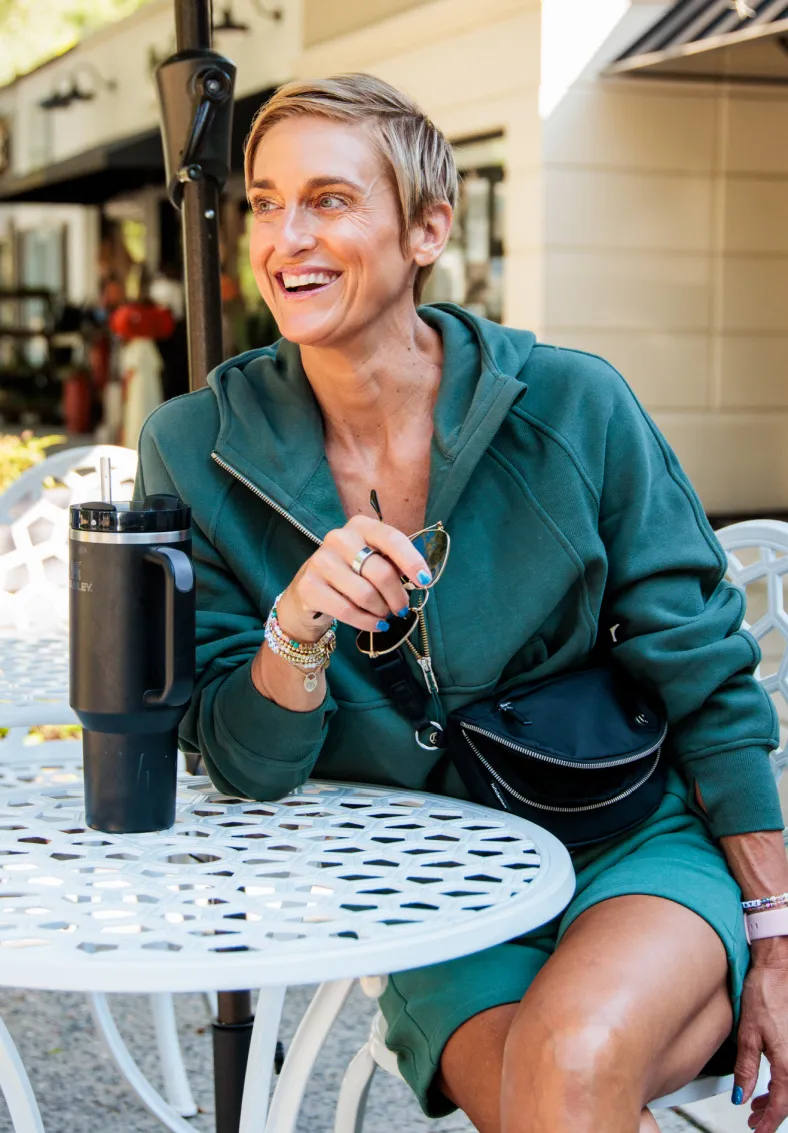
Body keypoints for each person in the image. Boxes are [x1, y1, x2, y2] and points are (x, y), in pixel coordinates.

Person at [134, 74, 788, 1133]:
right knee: (566, 1083)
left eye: (329, 199)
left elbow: (701, 666)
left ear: (428, 228)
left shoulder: (572, 403)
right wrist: (294, 630)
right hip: (422, 889)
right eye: (262, 201)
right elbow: (245, 764)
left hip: (623, 839)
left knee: (570, 1066)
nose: (283, 237)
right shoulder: (192, 445)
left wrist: (774, 930)